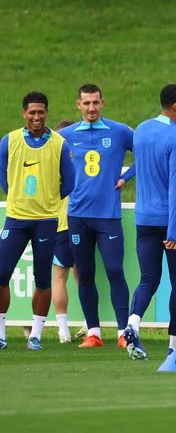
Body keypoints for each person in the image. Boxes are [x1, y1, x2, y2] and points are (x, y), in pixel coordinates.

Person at [122, 84, 176, 361]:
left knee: (148, 279)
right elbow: (175, 185)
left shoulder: (141, 129)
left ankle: (132, 323)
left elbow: (146, 171)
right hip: (170, 219)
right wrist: (173, 229)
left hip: (144, 218)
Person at [58, 84, 135, 349]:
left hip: (108, 216)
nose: (91, 108)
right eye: (86, 103)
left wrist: (126, 176)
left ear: (103, 103)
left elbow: (147, 153)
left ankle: (125, 332)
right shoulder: (64, 135)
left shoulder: (120, 131)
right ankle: (93, 333)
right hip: (77, 216)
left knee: (115, 270)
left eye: (95, 103)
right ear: (78, 105)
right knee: (86, 274)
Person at [0, 91, 75, 350]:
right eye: (31, 112)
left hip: (46, 219)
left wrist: (49, 200)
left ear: (46, 113)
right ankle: (1, 333)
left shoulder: (59, 144)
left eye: (40, 112)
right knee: (1, 272)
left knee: (43, 277)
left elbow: (70, 182)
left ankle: (36, 334)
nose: (36, 117)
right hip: (16, 218)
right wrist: (17, 197)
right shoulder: (8, 141)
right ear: (24, 113)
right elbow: (3, 177)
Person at [51, 119, 78, 343]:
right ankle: (91, 325)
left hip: (59, 222)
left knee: (59, 277)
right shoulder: (82, 156)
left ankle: (63, 330)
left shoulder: (50, 159)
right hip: (81, 220)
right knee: (83, 276)